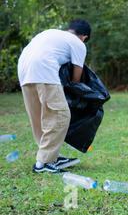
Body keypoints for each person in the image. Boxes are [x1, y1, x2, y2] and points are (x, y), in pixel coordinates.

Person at [17, 19, 91, 174]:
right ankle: (43, 163)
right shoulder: (79, 44)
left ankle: (51, 157)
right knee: (60, 115)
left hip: (24, 70)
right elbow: (76, 77)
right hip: (44, 70)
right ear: (84, 36)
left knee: (39, 117)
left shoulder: (50, 33)